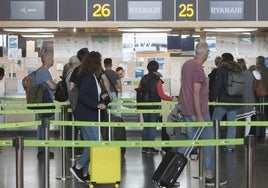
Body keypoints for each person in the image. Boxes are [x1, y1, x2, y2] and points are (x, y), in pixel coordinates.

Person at [179, 42, 226, 186]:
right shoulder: (198, 69)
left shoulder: (187, 64)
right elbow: (196, 93)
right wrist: (199, 115)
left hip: (187, 109)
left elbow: (183, 88)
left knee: (191, 141)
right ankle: (209, 174)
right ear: (205, 54)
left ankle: (171, 164)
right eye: (208, 53)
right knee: (208, 142)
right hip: (199, 111)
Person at [69, 51, 107, 183]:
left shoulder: (90, 76)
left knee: (89, 145)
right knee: (97, 143)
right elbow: (82, 96)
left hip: (86, 116)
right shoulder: (88, 77)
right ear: (96, 63)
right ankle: (78, 166)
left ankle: (84, 173)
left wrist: (104, 98)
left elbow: (94, 93)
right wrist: (97, 104)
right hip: (87, 116)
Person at [139, 60, 177, 154]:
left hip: (144, 106)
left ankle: (144, 147)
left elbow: (140, 91)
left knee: (146, 126)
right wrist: (172, 99)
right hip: (154, 106)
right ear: (157, 68)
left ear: (148, 68)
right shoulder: (157, 80)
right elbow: (161, 95)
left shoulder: (143, 78)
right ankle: (150, 147)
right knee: (152, 126)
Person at [211, 53, 243, 152]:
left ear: (223, 59)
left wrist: (212, 99)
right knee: (231, 124)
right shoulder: (238, 69)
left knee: (214, 121)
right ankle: (230, 146)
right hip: (236, 100)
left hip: (224, 100)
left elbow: (217, 85)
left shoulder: (221, 70)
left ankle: (213, 143)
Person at [35, 52, 57, 159]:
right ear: (47, 60)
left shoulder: (42, 71)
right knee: (43, 126)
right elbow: (52, 86)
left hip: (42, 102)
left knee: (43, 126)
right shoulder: (43, 72)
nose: (53, 61)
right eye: (52, 59)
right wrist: (58, 85)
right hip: (44, 103)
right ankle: (42, 150)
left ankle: (43, 149)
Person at [235, 58, 255, 137]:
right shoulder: (250, 74)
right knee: (248, 118)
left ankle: (234, 135)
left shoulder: (237, 75)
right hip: (249, 98)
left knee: (235, 118)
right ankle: (246, 136)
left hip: (239, 99)